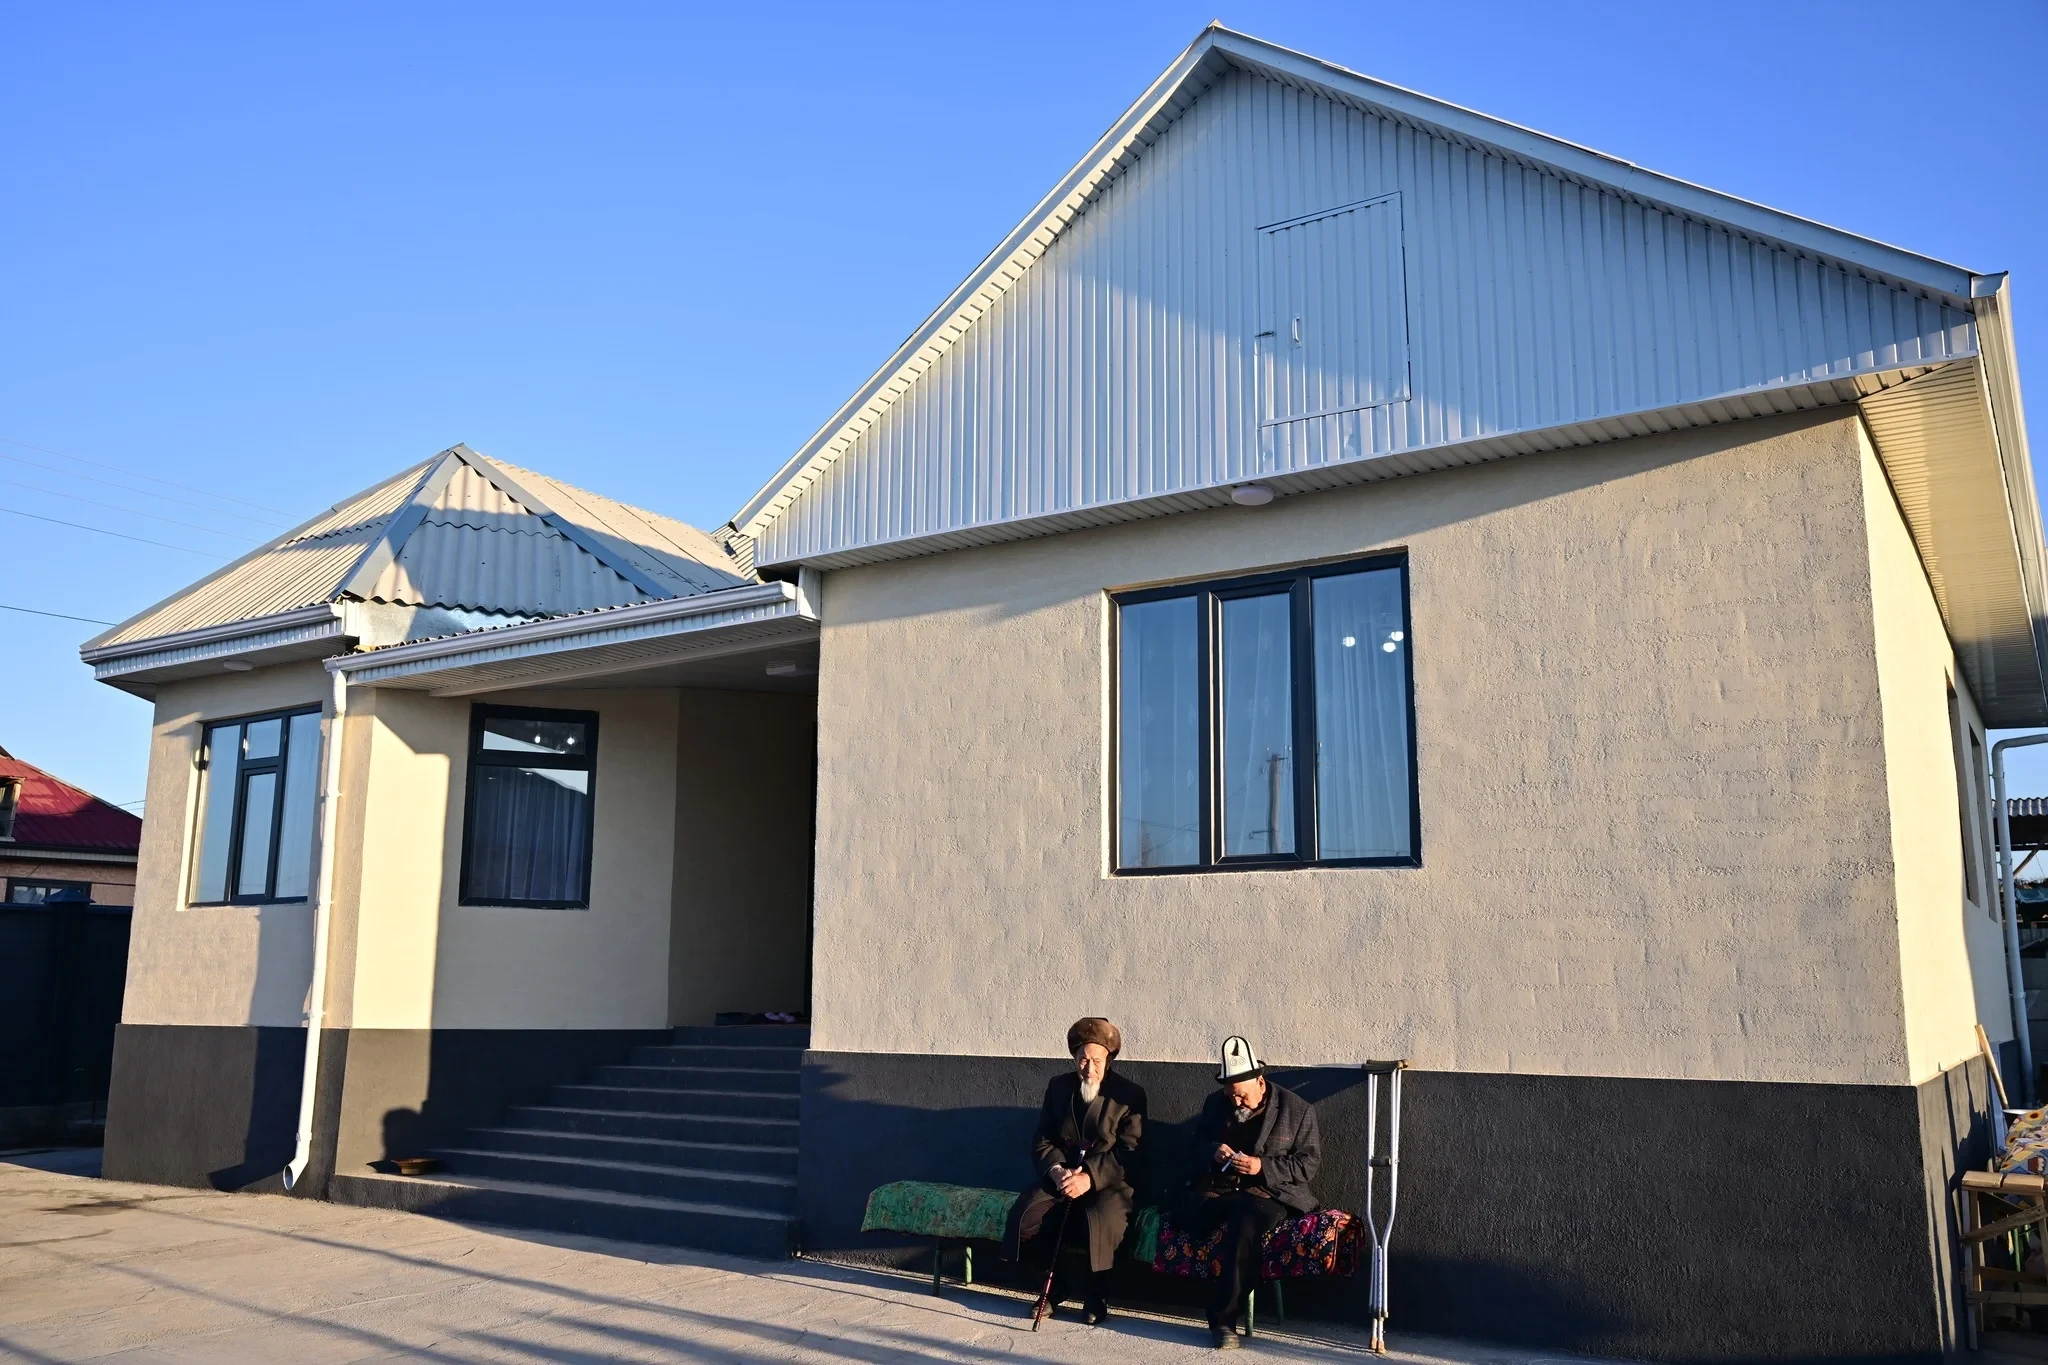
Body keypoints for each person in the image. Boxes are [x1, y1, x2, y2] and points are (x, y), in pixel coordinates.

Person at [1004, 1017, 1146, 1325]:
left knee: (1103, 1219)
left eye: (1097, 1061)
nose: (1089, 1068)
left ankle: (1096, 1295)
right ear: (1074, 1058)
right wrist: (1056, 1171)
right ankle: (1052, 1288)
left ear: (1109, 1061)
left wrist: (1089, 1177)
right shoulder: (1059, 1087)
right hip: (1062, 1176)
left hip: (1107, 1181)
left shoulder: (1129, 1095)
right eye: (1083, 1059)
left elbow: (1130, 1152)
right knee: (1025, 1215)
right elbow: (1043, 1138)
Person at [1182, 1035, 1321, 1349]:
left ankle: (1224, 1321)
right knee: (1187, 1217)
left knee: (1245, 1230)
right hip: (1221, 1189)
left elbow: (1308, 1164)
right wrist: (1212, 1151)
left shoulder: (1298, 1110)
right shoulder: (1215, 1103)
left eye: (1242, 1095)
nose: (1236, 1102)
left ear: (1260, 1082)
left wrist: (1262, 1167)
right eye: (1231, 1095)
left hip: (1269, 1194)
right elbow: (1196, 1145)